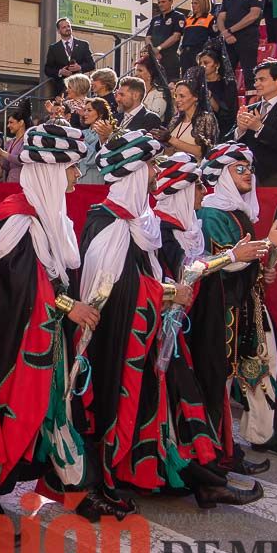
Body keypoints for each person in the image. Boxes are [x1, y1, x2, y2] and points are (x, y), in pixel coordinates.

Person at [71, 130, 195, 519]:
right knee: (105, 406)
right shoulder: (105, 220)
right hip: (109, 336)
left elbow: (139, 275)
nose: (157, 173)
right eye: (152, 166)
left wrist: (164, 290)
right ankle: (97, 488)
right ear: (135, 172)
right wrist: (165, 294)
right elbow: (112, 289)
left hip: (135, 334)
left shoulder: (140, 222)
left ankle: (123, 475)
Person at [0, 123, 94, 502]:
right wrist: (67, 306)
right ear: (50, 171)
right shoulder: (18, 220)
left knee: (55, 412)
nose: (76, 175)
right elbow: (24, 290)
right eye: (71, 167)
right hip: (20, 346)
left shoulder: (47, 215)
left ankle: (71, 484)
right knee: (18, 413)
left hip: (47, 338)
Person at [152, 152, 267, 506]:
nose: (203, 190)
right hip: (173, 339)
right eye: (196, 185)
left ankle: (207, 476)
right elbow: (181, 278)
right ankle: (206, 482)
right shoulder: (162, 232)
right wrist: (232, 257)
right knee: (184, 405)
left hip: (198, 329)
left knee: (195, 400)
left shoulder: (185, 228)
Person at [194, 143, 277, 468]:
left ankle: (265, 434)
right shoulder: (212, 212)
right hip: (223, 312)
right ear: (222, 175)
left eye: (250, 168)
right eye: (239, 168)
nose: (248, 174)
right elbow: (226, 261)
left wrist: (268, 263)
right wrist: (269, 244)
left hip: (249, 306)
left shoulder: (238, 211)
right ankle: (221, 455)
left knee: (263, 370)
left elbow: (246, 261)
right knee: (222, 380)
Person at [216, 0, 265, 79]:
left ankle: (251, 97)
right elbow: (221, 17)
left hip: (247, 39)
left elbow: (254, 15)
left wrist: (230, 31)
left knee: (249, 74)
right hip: (228, 40)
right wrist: (225, 33)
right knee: (226, 76)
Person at [162, 77, 219, 160]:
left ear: (195, 97)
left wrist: (171, 139)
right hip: (173, 167)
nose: (177, 100)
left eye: (182, 96)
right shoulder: (175, 119)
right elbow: (168, 150)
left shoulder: (206, 118)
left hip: (195, 170)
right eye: (175, 95)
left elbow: (202, 152)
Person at [44, 18, 95, 96]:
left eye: (68, 26)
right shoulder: (54, 48)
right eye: (64, 27)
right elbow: (47, 69)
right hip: (62, 88)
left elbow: (91, 64)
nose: (67, 28)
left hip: (79, 86)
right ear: (58, 31)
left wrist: (80, 67)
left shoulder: (83, 45)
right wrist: (60, 72)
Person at [0, 100, 32, 184]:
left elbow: (22, 159)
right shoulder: (11, 142)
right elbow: (8, 166)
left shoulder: (28, 140)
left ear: (21, 123)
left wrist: (2, 153)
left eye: (11, 122)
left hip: (23, 184)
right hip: (10, 183)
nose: (8, 125)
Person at [198, 48, 237, 137]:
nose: (202, 66)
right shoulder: (198, 84)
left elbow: (226, 112)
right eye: (200, 63)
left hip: (221, 126)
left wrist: (210, 98)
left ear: (217, 65)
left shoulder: (227, 84)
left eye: (206, 63)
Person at [148, 0, 186, 81]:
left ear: (171, 2)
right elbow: (147, 37)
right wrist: (153, 50)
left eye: (163, 2)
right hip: (154, 58)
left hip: (170, 58)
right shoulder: (155, 19)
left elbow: (176, 36)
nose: (160, 4)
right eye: (159, 2)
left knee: (169, 84)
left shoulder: (178, 16)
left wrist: (159, 48)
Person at [76, 97, 114, 185]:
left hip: (96, 181)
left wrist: (79, 142)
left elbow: (93, 160)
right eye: (84, 110)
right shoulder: (81, 133)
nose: (85, 113)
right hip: (79, 181)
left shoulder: (108, 134)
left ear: (100, 114)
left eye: (89, 110)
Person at [179, 0, 218, 76]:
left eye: (196, 3)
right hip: (186, 53)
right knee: (185, 77)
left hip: (199, 52)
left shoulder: (210, 18)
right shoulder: (189, 19)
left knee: (198, 77)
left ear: (203, 3)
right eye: (192, 3)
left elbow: (214, 37)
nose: (193, 5)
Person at [133, 52, 172, 122]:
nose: (136, 74)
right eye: (135, 70)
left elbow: (154, 117)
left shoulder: (159, 93)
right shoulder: (134, 91)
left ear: (150, 74)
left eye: (140, 71)